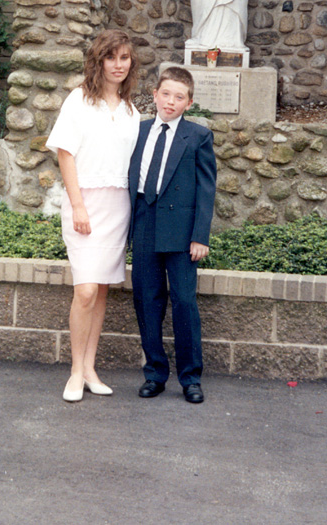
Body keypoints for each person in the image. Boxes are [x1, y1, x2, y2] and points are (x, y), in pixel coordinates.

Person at [46, 29, 140, 402]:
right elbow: (65, 153)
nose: (118, 65)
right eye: (111, 57)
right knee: (84, 290)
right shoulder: (78, 100)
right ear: (98, 61)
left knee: (100, 289)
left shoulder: (133, 111)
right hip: (84, 203)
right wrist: (79, 205)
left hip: (118, 206)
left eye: (124, 58)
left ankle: (89, 369)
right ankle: (73, 372)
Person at [128, 67, 217, 403]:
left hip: (182, 234)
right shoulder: (137, 132)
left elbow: (206, 190)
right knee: (147, 302)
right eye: (166, 94)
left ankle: (190, 378)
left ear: (188, 103)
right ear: (155, 95)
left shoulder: (197, 137)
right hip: (145, 222)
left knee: (183, 302)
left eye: (179, 97)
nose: (171, 101)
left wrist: (200, 236)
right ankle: (154, 373)